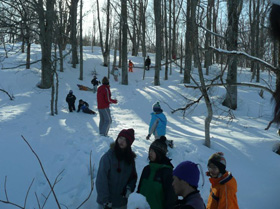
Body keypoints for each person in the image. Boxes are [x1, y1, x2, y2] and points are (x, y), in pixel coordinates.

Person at [96, 129, 137, 209]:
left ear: (129, 143)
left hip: (121, 203)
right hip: (106, 203)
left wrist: (129, 188)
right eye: (121, 138)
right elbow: (101, 180)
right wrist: (105, 200)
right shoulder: (108, 157)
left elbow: (133, 177)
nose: (122, 141)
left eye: (125, 140)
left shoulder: (130, 160)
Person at [137, 138, 176, 209]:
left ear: (159, 153)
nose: (150, 153)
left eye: (153, 151)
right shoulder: (146, 169)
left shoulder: (167, 172)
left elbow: (171, 200)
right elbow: (139, 191)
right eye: (150, 150)